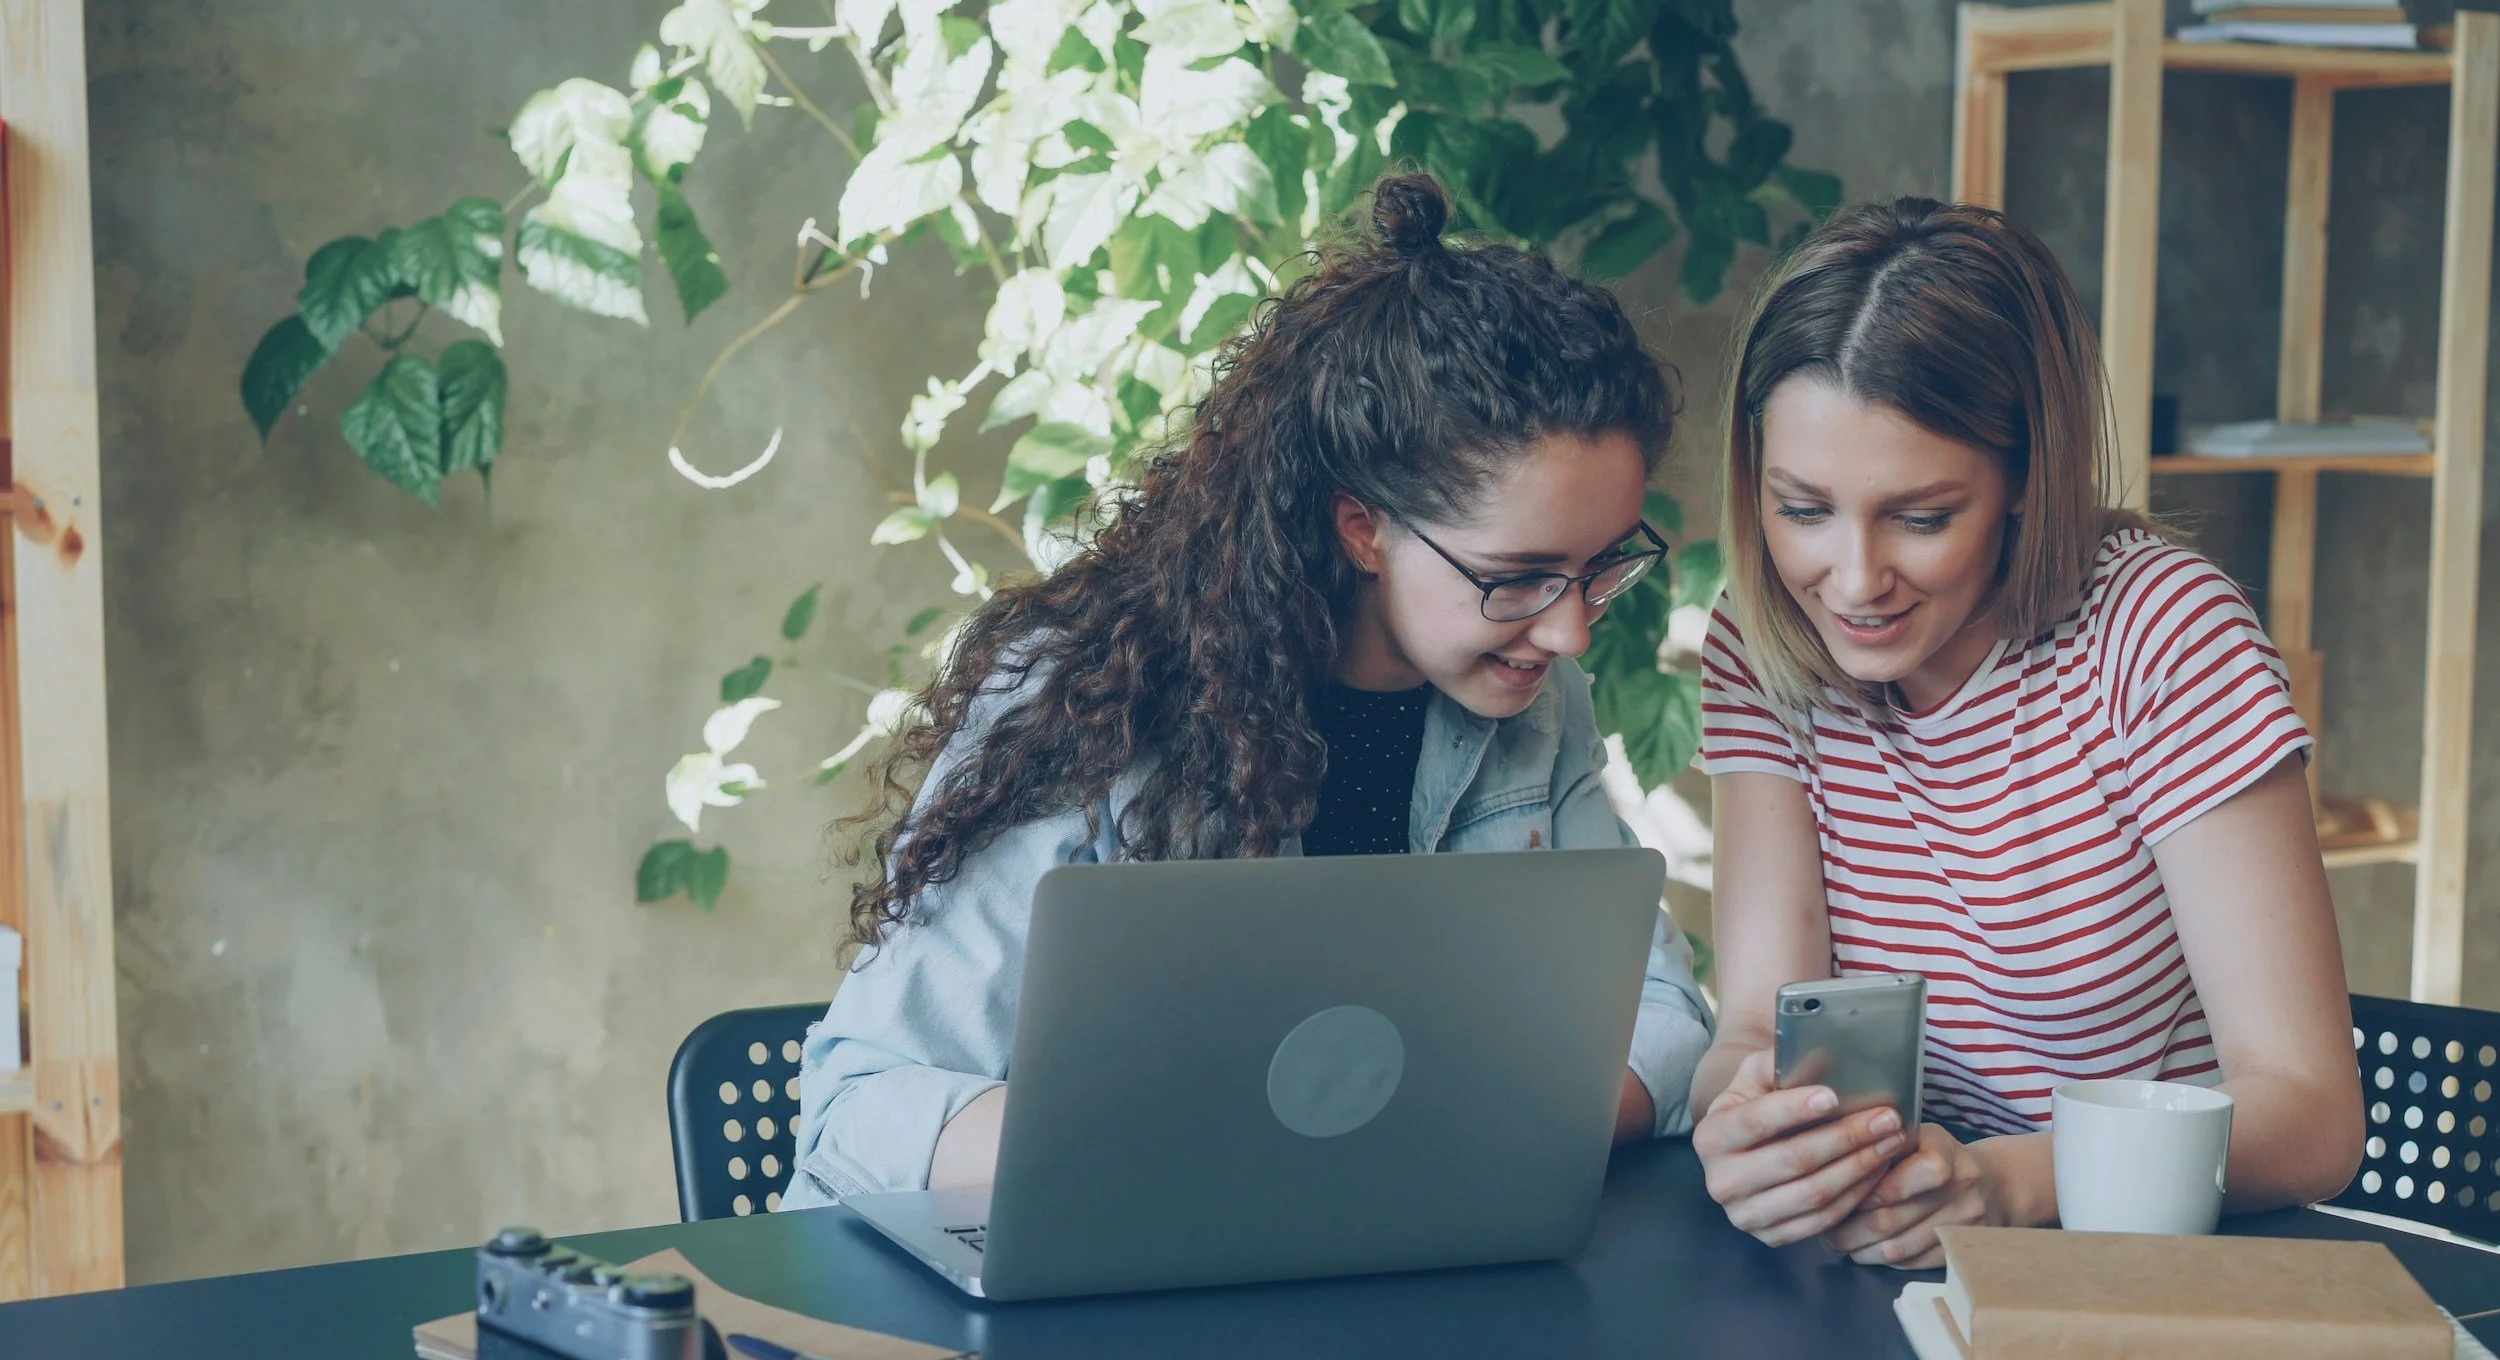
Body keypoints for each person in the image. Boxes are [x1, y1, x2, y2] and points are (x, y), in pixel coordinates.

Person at [781, 173, 1715, 1208]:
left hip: (1403, 1270)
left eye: (1598, 569)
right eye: (1519, 576)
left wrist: (1425, 1141)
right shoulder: (1092, 696)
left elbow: (1666, 1022)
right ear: (1362, 526)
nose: (1569, 627)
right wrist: (1227, 1159)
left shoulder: (1535, 700)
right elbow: (855, 1114)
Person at [1689, 197, 2363, 1268]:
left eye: (1920, 517)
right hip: (1906, 1262)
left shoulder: (2158, 635)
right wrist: (1749, 1126)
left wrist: (2009, 1181)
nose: (1853, 582)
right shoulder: (1764, 636)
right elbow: (1752, 1032)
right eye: (1802, 509)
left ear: (2022, 482)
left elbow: (2313, 1116)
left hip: (2153, 1266)